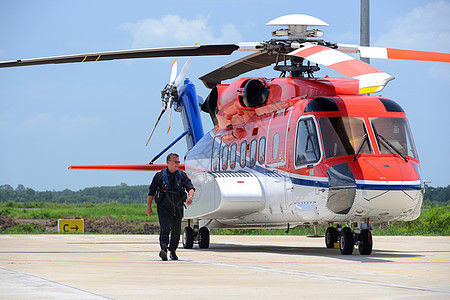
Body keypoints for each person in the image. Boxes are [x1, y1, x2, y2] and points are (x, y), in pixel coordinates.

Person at [146, 153, 195, 261]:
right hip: (163, 207)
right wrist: (148, 207)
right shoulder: (159, 176)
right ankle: (163, 249)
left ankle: (173, 251)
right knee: (165, 228)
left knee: (176, 231)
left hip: (177, 206)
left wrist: (190, 197)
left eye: (178, 162)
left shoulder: (182, 175)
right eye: (175, 162)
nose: (178, 164)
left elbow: (190, 188)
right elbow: (151, 192)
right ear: (168, 162)